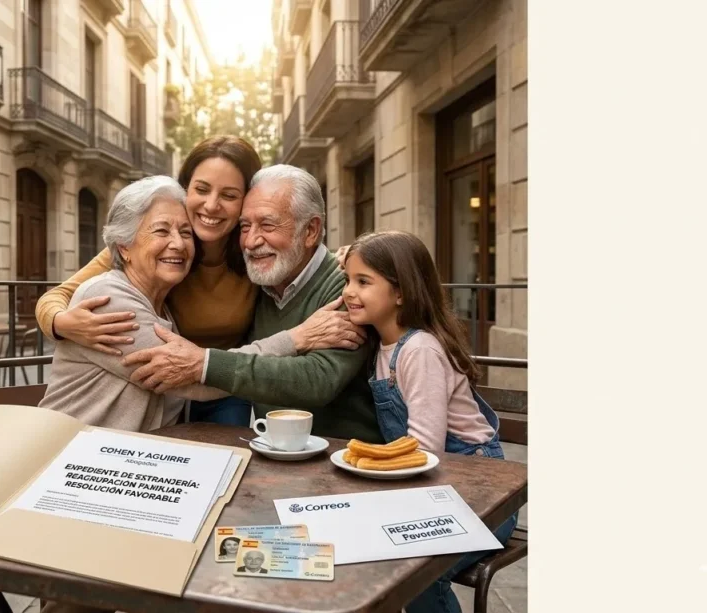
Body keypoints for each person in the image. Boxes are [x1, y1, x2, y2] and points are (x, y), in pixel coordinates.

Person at [35, 137, 364, 426]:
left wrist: (352, 261)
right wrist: (61, 323)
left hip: (223, 387)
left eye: (229, 195)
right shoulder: (138, 253)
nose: (211, 205)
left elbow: (294, 248)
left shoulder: (253, 253)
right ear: (186, 190)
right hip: (186, 386)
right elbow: (62, 294)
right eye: (202, 189)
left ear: (245, 200)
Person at [121, 165, 383, 443]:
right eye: (245, 226)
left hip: (347, 460)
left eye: (268, 225)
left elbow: (318, 379)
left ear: (310, 231)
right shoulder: (261, 279)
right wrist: (66, 320)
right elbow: (133, 243)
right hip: (275, 454)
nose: (251, 241)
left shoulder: (347, 286)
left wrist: (205, 364)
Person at [341, 230, 517, 613]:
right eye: (347, 279)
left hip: (484, 493)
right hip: (436, 490)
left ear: (400, 291)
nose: (348, 292)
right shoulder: (382, 342)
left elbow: (424, 449)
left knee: (419, 573)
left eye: (363, 282)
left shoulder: (418, 350)